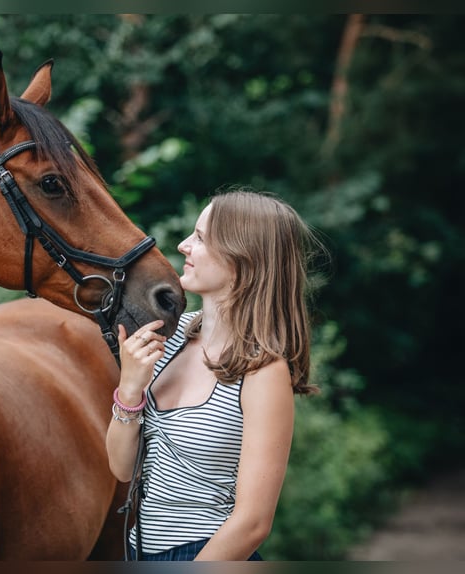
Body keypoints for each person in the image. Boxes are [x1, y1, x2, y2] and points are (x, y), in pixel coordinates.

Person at [106, 188, 323, 561]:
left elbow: (253, 523)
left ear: (242, 258)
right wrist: (129, 390)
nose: (183, 245)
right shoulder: (169, 335)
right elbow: (121, 468)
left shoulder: (263, 371)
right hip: (139, 551)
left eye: (201, 238)